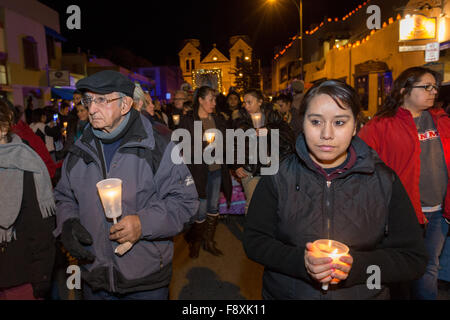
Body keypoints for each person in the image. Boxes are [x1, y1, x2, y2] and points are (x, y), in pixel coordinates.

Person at [243, 79, 428, 300]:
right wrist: (300, 262)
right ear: (303, 123)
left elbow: (412, 259)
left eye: (339, 122)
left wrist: (357, 268)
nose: (327, 134)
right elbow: (255, 241)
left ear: (355, 127)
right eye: (316, 122)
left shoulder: (383, 181)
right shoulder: (278, 176)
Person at [53, 70, 199, 300]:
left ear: (125, 104)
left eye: (101, 100)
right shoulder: (79, 151)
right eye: (88, 100)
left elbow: (185, 202)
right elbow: (64, 197)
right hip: (94, 277)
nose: (91, 109)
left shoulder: (158, 146)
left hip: (146, 281)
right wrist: (67, 223)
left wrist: (143, 223)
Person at [358, 67, 450, 300]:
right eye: (426, 86)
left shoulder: (441, 121)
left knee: (429, 267)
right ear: (404, 90)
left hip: (438, 213)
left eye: (435, 87)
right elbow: (359, 162)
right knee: (400, 272)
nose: (433, 92)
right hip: (402, 215)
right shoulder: (381, 125)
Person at [0, 99, 56, 300]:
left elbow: (39, 227)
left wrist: (41, 278)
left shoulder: (25, 162)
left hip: (20, 276)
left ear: (4, 126)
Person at [178, 86, 232, 258]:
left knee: (213, 206)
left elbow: (228, 142)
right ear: (200, 100)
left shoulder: (218, 119)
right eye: (210, 99)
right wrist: (203, 147)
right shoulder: (188, 120)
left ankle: (209, 242)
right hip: (198, 172)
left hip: (216, 170)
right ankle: (195, 242)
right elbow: (182, 146)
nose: (213, 103)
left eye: (215, 99)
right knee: (200, 208)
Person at [232, 89, 295, 214]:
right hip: (250, 169)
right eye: (245, 103)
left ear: (260, 102)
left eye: (250, 102)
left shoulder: (273, 116)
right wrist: (236, 165)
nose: (246, 106)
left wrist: (269, 131)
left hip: (271, 167)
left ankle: (268, 232)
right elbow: (234, 143)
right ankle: (253, 232)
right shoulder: (241, 120)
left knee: (271, 205)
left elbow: (288, 136)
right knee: (253, 204)